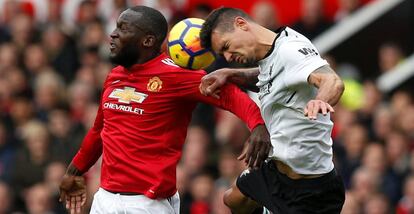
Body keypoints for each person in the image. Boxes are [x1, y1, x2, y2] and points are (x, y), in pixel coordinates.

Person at [58, 6, 271, 214]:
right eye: (116, 27)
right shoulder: (115, 75)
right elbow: (99, 131)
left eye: (123, 29)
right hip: (105, 199)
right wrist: (73, 172)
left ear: (148, 41)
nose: (113, 34)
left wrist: (258, 126)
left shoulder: (176, 76)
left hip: (148, 203)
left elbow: (232, 97)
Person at [199, 7, 345, 213]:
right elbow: (271, 76)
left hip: (310, 190)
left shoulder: (290, 50)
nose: (228, 56)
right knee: (233, 199)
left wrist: (319, 100)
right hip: (275, 173)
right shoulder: (273, 52)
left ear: (241, 24)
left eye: (226, 46)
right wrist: (230, 74)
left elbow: (333, 81)